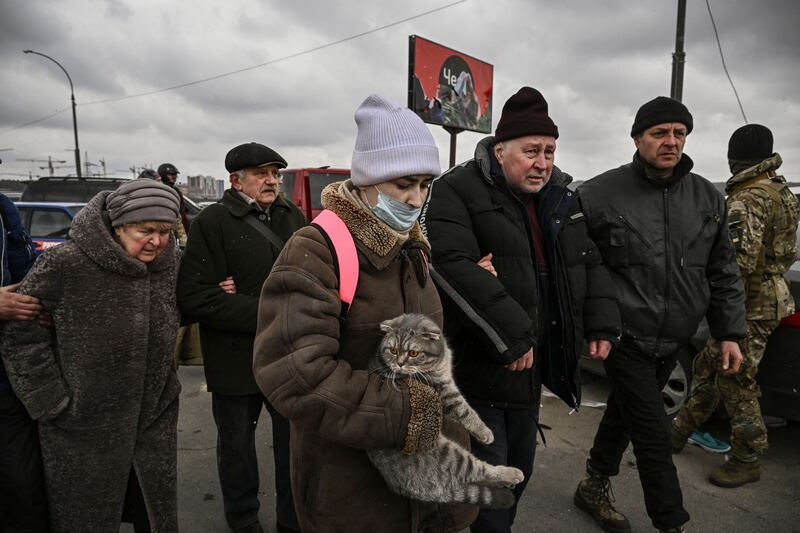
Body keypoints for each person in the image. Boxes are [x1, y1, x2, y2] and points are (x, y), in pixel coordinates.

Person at [252, 94, 477, 532]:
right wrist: (406, 415)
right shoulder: (316, 251)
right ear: (368, 181)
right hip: (354, 498)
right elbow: (293, 372)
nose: (416, 199)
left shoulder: (411, 248)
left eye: (425, 184)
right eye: (403, 184)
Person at [422, 86, 621, 533]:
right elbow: (449, 263)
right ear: (500, 149)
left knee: (517, 480)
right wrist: (509, 332)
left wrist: (602, 322)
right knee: (490, 497)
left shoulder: (559, 199)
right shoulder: (456, 189)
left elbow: (587, 261)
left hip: (530, 377)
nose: (543, 163)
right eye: (532, 151)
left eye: (549, 151)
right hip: (479, 373)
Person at [574, 96, 748, 533]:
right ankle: (671, 523)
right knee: (653, 435)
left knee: (625, 414)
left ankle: (593, 484)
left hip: (673, 337)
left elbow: (723, 269)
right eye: (659, 133)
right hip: (624, 336)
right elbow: (575, 266)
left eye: (679, 133)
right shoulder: (598, 194)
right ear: (637, 139)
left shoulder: (709, 197)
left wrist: (729, 332)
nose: (671, 142)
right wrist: (588, 323)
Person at [1, 178, 183, 532]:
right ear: (117, 226)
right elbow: (20, 337)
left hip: (152, 423)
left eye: (164, 230)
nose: (157, 241)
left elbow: (186, 306)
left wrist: (221, 287)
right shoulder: (65, 264)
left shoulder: (169, 262)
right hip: (81, 427)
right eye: (145, 230)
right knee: (86, 517)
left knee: (152, 515)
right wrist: (50, 401)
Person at [177, 142, 306, 533]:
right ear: (235, 180)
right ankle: (243, 519)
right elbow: (196, 296)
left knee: (294, 449)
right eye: (261, 174)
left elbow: (312, 278)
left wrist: (241, 300)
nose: (271, 180)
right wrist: (274, 311)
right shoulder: (211, 222)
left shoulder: (291, 216)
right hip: (235, 358)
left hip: (287, 357)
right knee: (237, 450)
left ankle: (292, 520)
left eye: (275, 173)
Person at [671, 124, 799, 487]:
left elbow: (735, 265)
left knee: (736, 380)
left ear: (735, 158)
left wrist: (722, 315)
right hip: (768, 297)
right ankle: (678, 432)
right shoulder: (780, 191)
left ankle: (747, 457)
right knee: (708, 368)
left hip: (749, 305)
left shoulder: (748, 199)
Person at [0, 193, 49, 533]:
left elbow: (25, 274)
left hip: (7, 378)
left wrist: (43, 306)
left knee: (24, 488)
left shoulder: (4, 209)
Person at [157, 163, 190, 246]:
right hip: (161, 232)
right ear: (163, 175)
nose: (174, 177)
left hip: (172, 233)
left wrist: (183, 241)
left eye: (175, 174)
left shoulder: (176, 190)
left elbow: (179, 216)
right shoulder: (159, 191)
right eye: (171, 174)